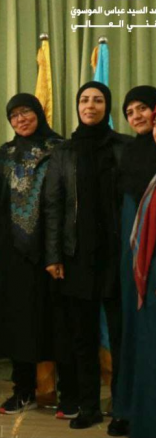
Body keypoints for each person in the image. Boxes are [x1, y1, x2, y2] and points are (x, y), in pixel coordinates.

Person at [44, 81, 131, 429]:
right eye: (84, 100)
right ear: (77, 106)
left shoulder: (124, 147)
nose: (90, 106)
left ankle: (122, 409)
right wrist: (53, 255)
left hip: (118, 257)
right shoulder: (63, 152)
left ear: (107, 106)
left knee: (121, 338)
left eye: (97, 100)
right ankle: (89, 407)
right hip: (76, 256)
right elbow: (53, 206)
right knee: (82, 337)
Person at [0, 94, 62, 414]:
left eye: (26, 112)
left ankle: (64, 392)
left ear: (39, 113)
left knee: (53, 320)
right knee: (18, 323)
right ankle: (23, 390)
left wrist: (57, 250)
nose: (21, 119)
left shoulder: (60, 149)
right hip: (12, 252)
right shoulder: (5, 154)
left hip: (50, 251)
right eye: (14, 115)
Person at [114, 86, 156, 438]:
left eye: (143, 108)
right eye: (130, 112)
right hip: (134, 254)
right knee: (135, 326)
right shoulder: (128, 152)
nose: (136, 116)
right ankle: (132, 411)